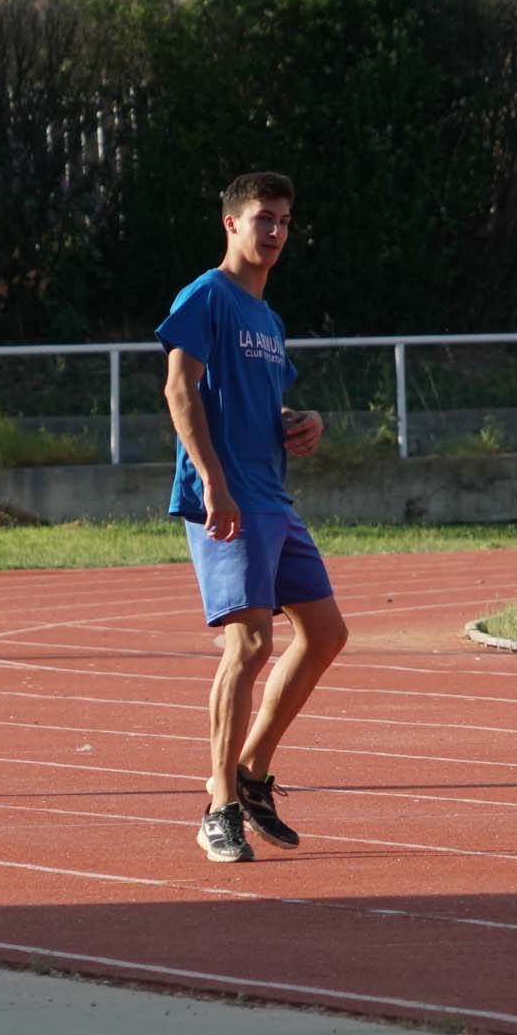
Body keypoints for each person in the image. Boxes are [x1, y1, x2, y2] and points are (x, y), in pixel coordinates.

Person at [158, 172, 349, 862]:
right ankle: (219, 804)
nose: (275, 232)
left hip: (273, 497)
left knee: (325, 633)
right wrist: (212, 481)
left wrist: (304, 422)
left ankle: (252, 769)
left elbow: (257, 406)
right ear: (232, 224)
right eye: (263, 218)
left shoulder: (267, 320)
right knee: (247, 646)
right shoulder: (205, 296)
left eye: (284, 221)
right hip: (228, 500)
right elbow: (179, 387)